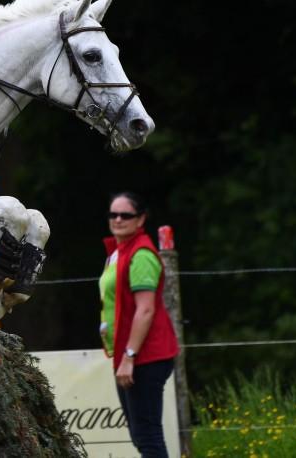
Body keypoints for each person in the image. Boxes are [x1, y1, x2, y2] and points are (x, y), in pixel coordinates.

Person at [98, 191, 179, 457]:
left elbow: (145, 310)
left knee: (148, 435)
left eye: (126, 215)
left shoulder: (141, 255)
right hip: (132, 354)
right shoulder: (118, 253)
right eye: (113, 214)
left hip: (146, 355)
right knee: (141, 434)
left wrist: (130, 356)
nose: (118, 219)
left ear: (141, 219)